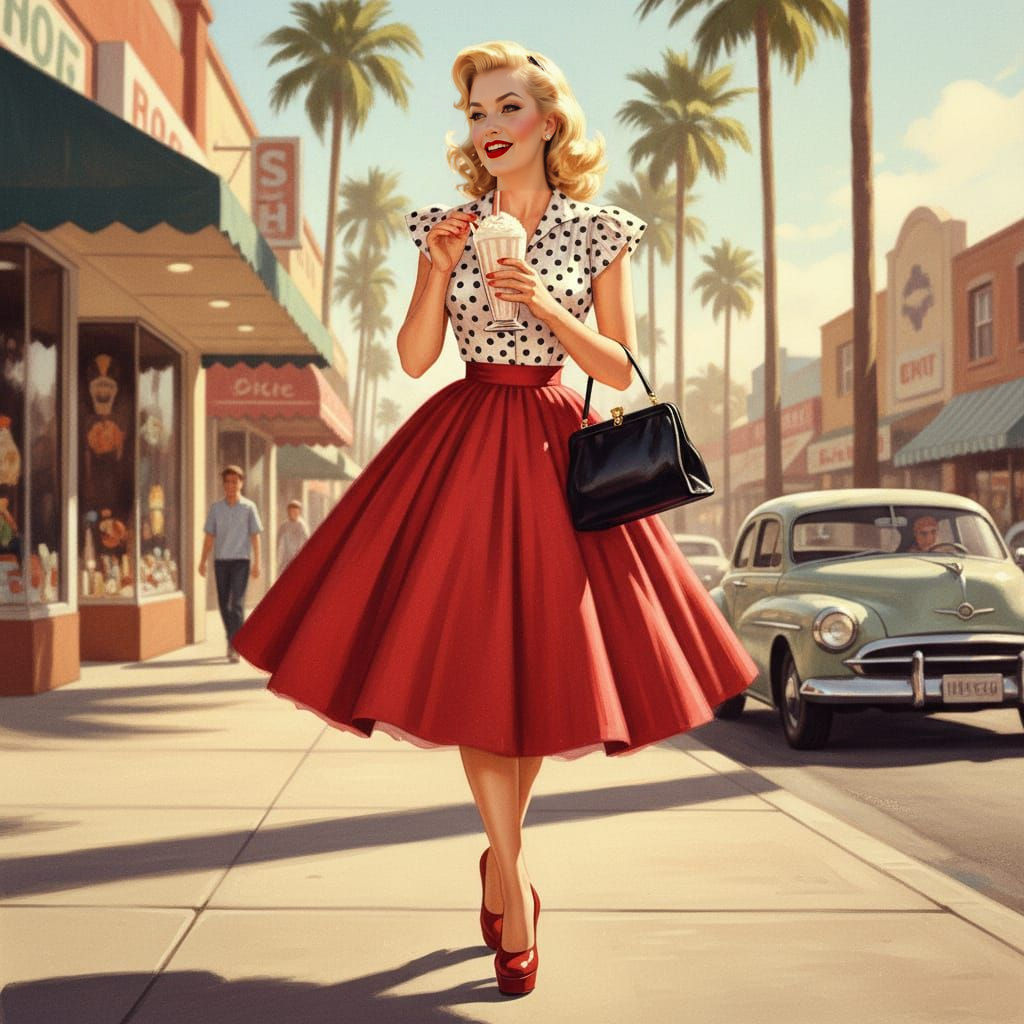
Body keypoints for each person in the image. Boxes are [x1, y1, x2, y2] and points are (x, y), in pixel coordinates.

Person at [231, 41, 756, 996]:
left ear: (548, 124)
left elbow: (613, 365)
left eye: (508, 108)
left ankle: (499, 866)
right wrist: (436, 270)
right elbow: (416, 355)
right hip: (463, 438)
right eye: (476, 113)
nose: (490, 128)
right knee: (478, 659)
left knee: (531, 662)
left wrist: (546, 304)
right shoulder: (447, 221)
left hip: (557, 450)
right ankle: (512, 880)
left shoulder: (599, 229)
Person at [198, 465, 262, 662]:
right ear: (223, 484)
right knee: (224, 604)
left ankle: (235, 645)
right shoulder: (216, 509)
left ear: (241, 483)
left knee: (237, 604)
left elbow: (255, 536)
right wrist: (202, 561)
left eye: (235, 481)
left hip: (241, 561)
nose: (231, 485)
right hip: (221, 561)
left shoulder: (249, 507)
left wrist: (257, 562)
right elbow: (209, 536)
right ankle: (232, 638)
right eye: (227, 482)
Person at [276, 499, 310, 577]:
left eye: (295, 512)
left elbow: (307, 541)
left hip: (298, 558)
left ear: (299, 512)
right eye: (291, 511)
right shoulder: (284, 526)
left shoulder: (302, 526)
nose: (293, 514)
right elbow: (279, 543)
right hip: (285, 559)